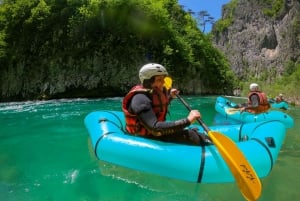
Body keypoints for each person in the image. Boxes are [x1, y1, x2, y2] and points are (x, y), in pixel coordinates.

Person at [122, 63, 211, 146]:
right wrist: (188, 121)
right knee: (191, 135)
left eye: (163, 79)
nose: (164, 82)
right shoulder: (140, 99)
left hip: (155, 130)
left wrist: (170, 97)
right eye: (159, 80)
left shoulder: (153, 92)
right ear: (148, 82)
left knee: (192, 131)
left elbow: (158, 107)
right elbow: (155, 129)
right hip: (145, 136)